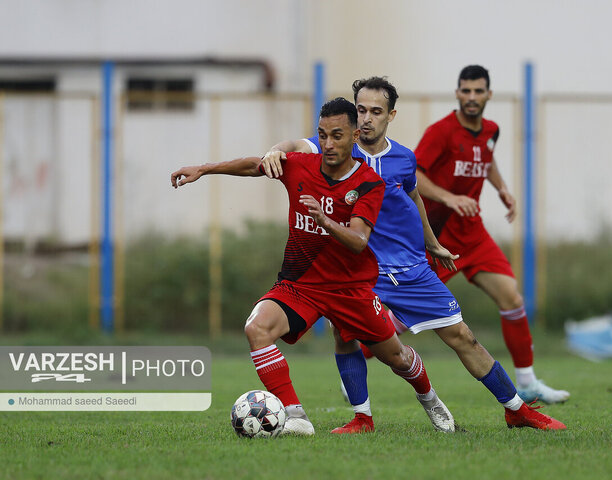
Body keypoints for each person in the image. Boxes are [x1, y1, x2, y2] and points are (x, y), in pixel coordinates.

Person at [262, 77, 566, 433]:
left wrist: (432, 242)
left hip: (409, 268)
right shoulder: (336, 147)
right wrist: (273, 150)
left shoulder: (405, 159)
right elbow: (296, 145)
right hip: (361, 271)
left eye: (376, 111)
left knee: (462, 337)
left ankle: (516, 409)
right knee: (344, 335)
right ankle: (363, 418)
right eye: (360, 110)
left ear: (391, 114)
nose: (366, 119)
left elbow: (415, 198)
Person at [171, 97, 455, 436]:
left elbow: (359, 241)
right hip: (300, 284)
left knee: (397, 358)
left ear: (354, 136)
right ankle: (296, 417)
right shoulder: (301, 165)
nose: (328, 143)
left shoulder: (367, 183)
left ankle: (431, 400)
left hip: (351, 288)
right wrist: (204, 169)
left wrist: (323, 218)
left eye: (337, 135)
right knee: (256, 328)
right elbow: (253, 166)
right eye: (322, 135)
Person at [414, 65, 570, 404]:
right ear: (457, 93)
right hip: (437, 237)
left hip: (472, 233)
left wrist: (502, 189)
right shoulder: (440, 132)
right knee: (398, 316)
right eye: (465, 91)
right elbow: (413, 174)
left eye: (478, 91)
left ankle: (526, 383)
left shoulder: (491, 130)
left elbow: (485, 158)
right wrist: (448, 197)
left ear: (488, 95)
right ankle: (356, 353)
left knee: (511, 298)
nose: (471, 97)